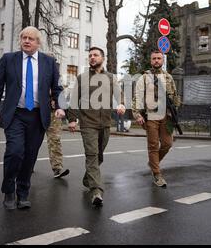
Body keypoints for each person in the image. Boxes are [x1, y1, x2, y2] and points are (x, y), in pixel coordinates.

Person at [0, 26, 65, 210]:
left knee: (30, 157)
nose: (26, 41)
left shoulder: (49, 62)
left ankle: (22, 193)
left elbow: (57, 89)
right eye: (24, 37)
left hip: (38, 116)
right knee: (15, 152)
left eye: (31, 38)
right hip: (15, 114)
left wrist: (61, 107)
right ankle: (8, 191)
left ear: (38, 43)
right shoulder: (9, 59)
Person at [67, 47, 125, 206]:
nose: (92, 57)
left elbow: (119, 96)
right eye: (90, 55)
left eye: (95, 55)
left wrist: (121, 104)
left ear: (103, 58)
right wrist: (72, 118)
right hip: (88, 123)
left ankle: (88, 179)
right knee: (92, 154)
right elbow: (74, 100)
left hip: (105, 123)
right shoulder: (82, 78)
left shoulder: (112, 78)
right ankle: (96, 191)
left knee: (98, 155)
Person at [132, 50, 181, 188]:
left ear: (163, 60)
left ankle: (153, 162)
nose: (156, 61)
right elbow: (138, 97)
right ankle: (157, 174)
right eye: (154, 58)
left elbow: (175, 96)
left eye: (159, 58)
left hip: (167, 116)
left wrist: (175, 111)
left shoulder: (169, 78)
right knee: (153, 145)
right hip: (151, 116)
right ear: (151, 61)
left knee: (167, 143)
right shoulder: (144, 78)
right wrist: (137, 114)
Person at [46, 101, 70, 178]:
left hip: (53, 111)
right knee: (32, 140)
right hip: (35, 110)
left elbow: (59, 91)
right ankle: (28, 164)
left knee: (55, 140)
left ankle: (57, 168)